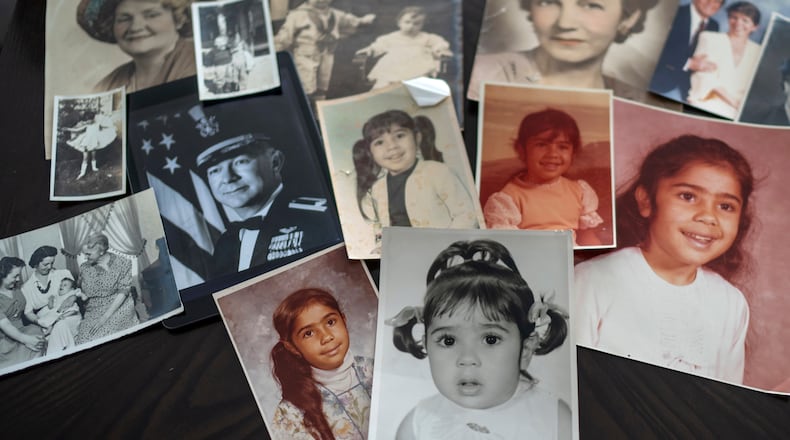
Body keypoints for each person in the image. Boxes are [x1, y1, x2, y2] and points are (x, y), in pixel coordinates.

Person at [575, 135, 753, 384]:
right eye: (688, 196)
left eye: (725, 206)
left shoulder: (731, 303)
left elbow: (727, 400)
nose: (708, 216)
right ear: (646, 201)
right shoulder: (591, 280)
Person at [388, 239, 570, 439]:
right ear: (426, 345)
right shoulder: (418, 425)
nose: (467, 358)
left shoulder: (555, 420)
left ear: (525, 350)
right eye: (448, 340)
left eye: (490, 339)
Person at [197, 132, 334, 278]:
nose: (227, 178)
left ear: (275, 162)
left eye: (240, 162)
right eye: (215, 171)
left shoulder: (318, 218)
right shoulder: (224, 244)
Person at [468, 0, 659, 100]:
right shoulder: (480, 75)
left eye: (591, 5)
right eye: (548, 2)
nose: (565, 23)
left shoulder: (639, 101)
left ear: (629, 18)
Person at [352, 110, 479, 249]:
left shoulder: (438, 172)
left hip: (443, 253)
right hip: (401, 253)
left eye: (399, 136)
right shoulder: (377, 188)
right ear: (370, 153)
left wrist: (446, 247)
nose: (392, 146)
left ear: (417, 138)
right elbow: (380, 227)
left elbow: (467, 216)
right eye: (379, 142)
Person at [483, 108, 603, 246]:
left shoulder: (580, 191)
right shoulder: (508, 199)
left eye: (562, 147)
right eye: (541, 145)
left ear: (573, 153)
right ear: (521, 150)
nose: (552, 154)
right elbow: (508, 248)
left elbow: (588, 239)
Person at [269, 288, 373, 440]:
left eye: (330, 322)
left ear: (343, 320)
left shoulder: (376, 370)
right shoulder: (290, 415)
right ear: (292, 347)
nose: (326, 337)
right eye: (308, 333)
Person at [77, 0, 197, 92]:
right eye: (124, 19)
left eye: (151, 15)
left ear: (180, 19)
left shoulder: (204, 63)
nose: (135, 27)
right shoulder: (107, 86)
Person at [274, 0, 376, 101]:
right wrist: (276, 49)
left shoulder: (334, 14)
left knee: (323, 84)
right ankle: (308, 105)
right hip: (305, 56)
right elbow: (284, 37)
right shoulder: (297, 15)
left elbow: (350, 21)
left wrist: (363, 20)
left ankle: (319, 104)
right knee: (306, 84)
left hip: (327, 54)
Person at [687, 1, 762, 119]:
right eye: (734, 17)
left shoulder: (758, 51)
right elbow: (704, 77)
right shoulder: (709, 38)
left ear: (755, 27)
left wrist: (741, 107)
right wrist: (733, 102)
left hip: (738, 111)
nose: (738, 23)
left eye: (745, 20)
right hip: (706, 102)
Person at [355, 6, 452, 89]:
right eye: (407, 22)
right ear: (399, 23)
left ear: (422, 25)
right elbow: (378, 46)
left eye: (416, 24)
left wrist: (439, 50)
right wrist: (369, 50)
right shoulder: (391, 37)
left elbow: (439, 44)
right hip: (393, 66)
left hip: (417, 66)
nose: (411, 26)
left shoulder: (426, 37)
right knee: (384, 82)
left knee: (420, 81)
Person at [650, 0, 725, 101]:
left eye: (717, 1)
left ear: (720, 6)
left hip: (689, 90)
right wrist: (688, 63)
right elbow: (654, 47)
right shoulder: (673, 13)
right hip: (658, 82)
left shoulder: (714, 26)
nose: (710, 3)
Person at [75, 233, 140, 344]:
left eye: (88, 254)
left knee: (106, 336)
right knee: (84, 340)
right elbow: (83, 293)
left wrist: (104, 319)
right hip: (95, 308)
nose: (85, 257)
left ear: (101, 251)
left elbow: (123, 292)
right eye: (84, 254)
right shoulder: (84, 268)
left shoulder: (123, 262)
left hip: (120, 305)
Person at [20, 246, 82, 354]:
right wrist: (41, 322)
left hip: (68, 314)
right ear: (36, 263)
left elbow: (75, 290)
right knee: (54, 331)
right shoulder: (27, 287)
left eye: (52, 263)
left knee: (60, 326)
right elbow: (28, 312)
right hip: (46, 321)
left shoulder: (63, 274)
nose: (49, 267)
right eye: (45, 264)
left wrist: (73, 297)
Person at [0, 257, 45, 369]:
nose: (18, 279)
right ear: (2, 275)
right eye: (15, 276)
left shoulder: (18, 290)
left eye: (19, 275)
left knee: (36, 333)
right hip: (5, 340)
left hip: (23, 332)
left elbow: (28, 311)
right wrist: (27, 340)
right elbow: (5, 325)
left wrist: (44, 323)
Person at [62, 111, 118, 179]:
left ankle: (94, 168)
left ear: (93, 119)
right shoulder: (86, 125)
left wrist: (111, 127)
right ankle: (82, 173)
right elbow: (77, 130)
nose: (88, 121)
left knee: (93, 156)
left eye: (89, 120)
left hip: (94, 142)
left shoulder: (97, 124)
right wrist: (67, 129)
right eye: (87, 120)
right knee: (85, 158)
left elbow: (105, 127)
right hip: (86, 142)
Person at [36, 279, 86, 353]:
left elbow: (79, 294)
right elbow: (50, 307)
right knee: (46, 320)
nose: (61, 286)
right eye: (61, 285)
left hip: (70, 313)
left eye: (65, 285)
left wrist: (74, 295)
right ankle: (51, 338)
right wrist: (51, 300)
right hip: (57, 313)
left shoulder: (71, 293)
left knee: (58, 322)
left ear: (71, 288)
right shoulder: (57, 296)